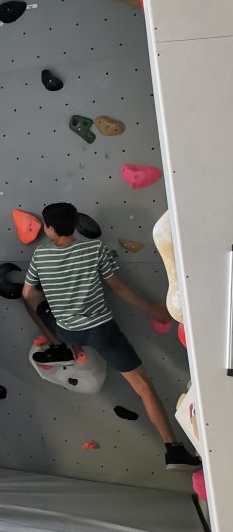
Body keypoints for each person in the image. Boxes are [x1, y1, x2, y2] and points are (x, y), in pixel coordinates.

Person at [21, 202, 200, 471]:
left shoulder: (40, 255)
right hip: (101, 330)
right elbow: (117, 288)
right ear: (75, 224)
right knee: (142, 386)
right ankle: (172, 450)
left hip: (66, 330)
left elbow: (27, 293)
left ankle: (59, 348)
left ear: (49, 228)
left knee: (34, 301)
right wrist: (154, 310)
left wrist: (55, 328)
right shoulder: (95, 249)